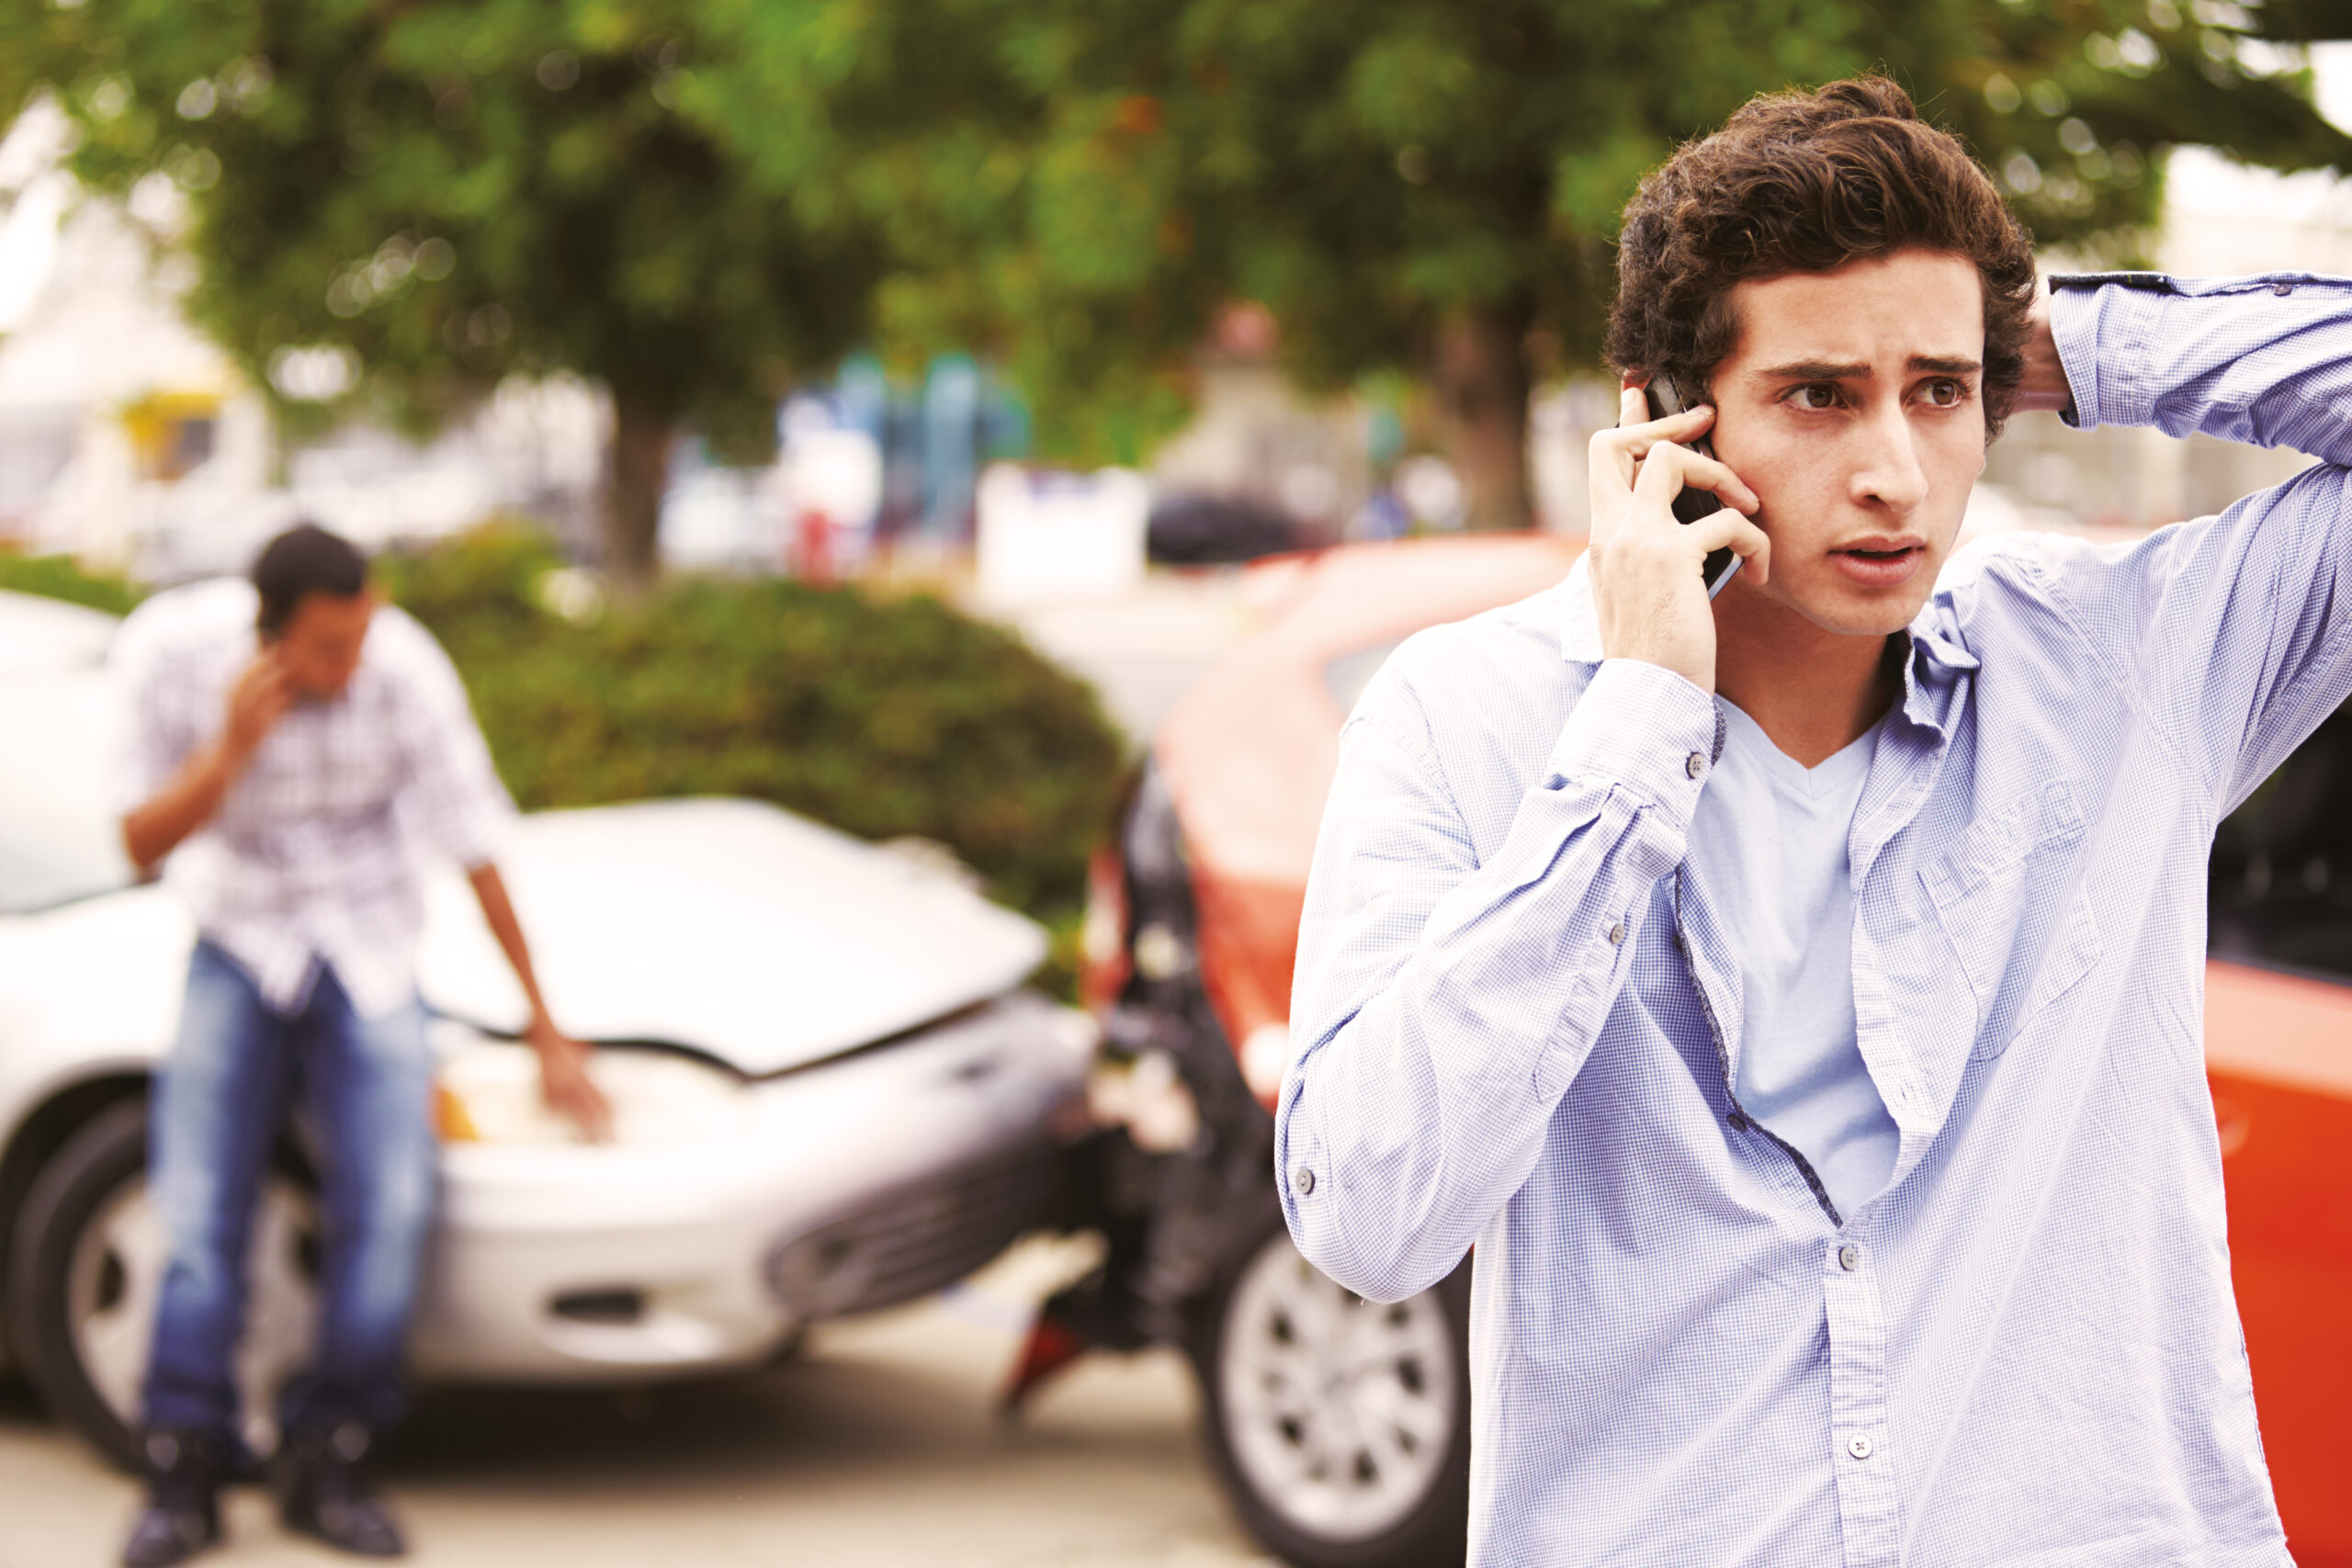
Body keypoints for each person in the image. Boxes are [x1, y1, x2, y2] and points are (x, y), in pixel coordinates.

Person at [1279, 76, 2329, 1564]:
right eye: (1821, 394)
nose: (1897, 470)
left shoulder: (2123, 669)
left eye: (1941, 396)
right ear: (1658, 422)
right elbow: (1370, 1217)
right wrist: (1636, 729)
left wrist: (2060, 343)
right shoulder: (1470, 717)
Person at [110, 525, 613, 1566]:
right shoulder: (170, 651)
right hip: (238, 934)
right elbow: (139, 843)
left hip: (368, 940)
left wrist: (546, 1025)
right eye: (329, 649)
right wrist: (232, 748)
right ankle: (184, 1460)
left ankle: (328, 1449)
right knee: (200, 1211)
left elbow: (476, 839)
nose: (353, 663)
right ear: (268, 635)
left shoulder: (404, 667)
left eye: (362, 636)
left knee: (390, 1202)